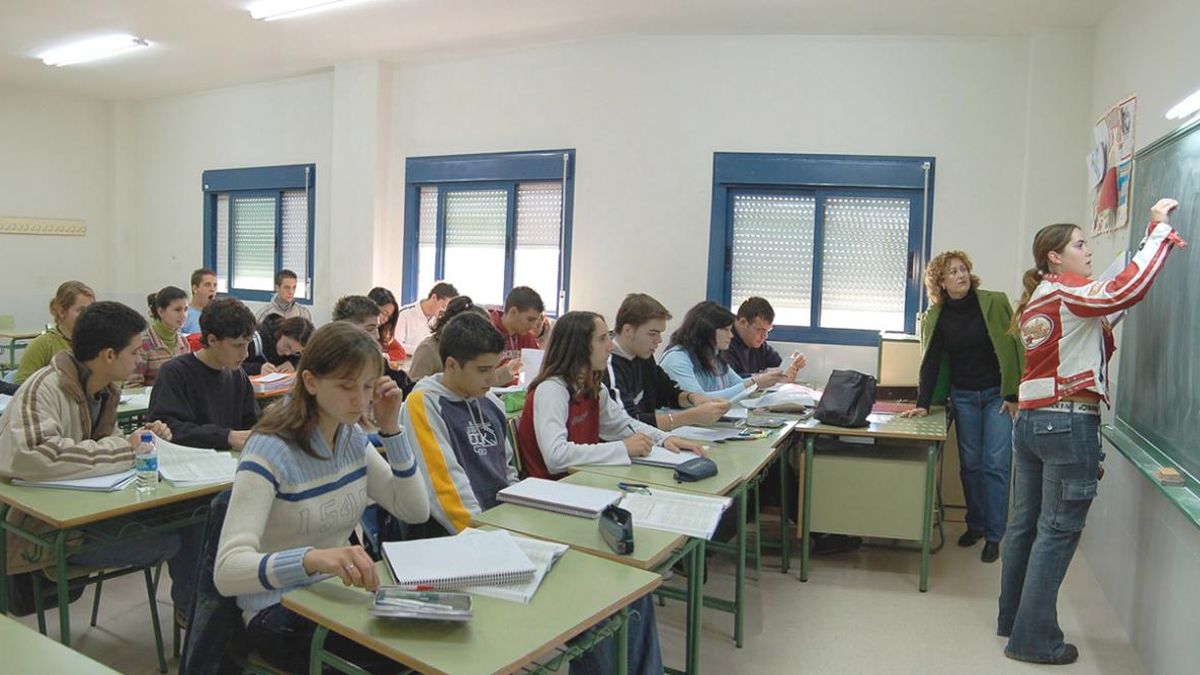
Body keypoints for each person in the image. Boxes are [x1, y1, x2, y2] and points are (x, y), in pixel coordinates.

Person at [998, 199, 1186, 665]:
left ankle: (1013, 619)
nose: (1088, 251)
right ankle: (1033, 640)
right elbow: (1126, 291)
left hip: (1033, 422)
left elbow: (1098, 321)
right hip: (1066, 423)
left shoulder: (1041, 297)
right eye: (1080, 244)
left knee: (1027, 526)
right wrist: (1158, 233)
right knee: (1057, 532)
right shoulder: (1066, 290)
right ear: (1055, 257)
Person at [213, 322, 429, 673]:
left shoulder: (350, 437)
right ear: (311, 382)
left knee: (426, 642)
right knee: (402, 658)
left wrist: (392, 430)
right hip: (275, 610)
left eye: (368, 387)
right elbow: (227, 571)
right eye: (346, 387)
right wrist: (313, 559)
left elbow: (415, 510)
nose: (360, 401)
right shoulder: (270, 449)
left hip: (334, 596)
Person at [0, 301, 198, 615]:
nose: (139, 359)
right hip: (50, 529)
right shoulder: (43, 388)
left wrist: (144, 438)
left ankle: (199, 617)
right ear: (108, 355)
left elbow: (110, 446)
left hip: (93, 511)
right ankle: (197, 619)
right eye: (134, 352)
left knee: (196, 514)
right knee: (179, 538)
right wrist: (127, 449)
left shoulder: (104, 390)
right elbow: (34, 455)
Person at [900, 252, 1024, 563]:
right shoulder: (936, 317)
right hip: (964, 397)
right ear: (941, 283)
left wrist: (1014, 394)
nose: (961, 275)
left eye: (963, 269)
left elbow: (1015, 347)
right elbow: (930, 362)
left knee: (996, 464)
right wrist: (923, 404)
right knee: (971, 466)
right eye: (952, 272)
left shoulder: (995, 302)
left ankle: (995, 535)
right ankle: (977, 524)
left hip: (998, 396)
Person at [516, 311, 706, 480]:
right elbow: (555, 457)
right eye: (602, 339)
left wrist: (663, 439)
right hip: (550, 490)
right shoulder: (552, 389)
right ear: (578, 347)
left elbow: (622, 425)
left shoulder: (592, 387)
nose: (610, 347)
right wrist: (623, 448)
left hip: (579, 480)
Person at [403, 311, 517, 536]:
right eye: (483, 370)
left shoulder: (491, 402)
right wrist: (484, 536)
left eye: (495, 368)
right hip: (458, 535)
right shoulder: (425, 404)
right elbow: (444, 489)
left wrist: (519, 517)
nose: (493, 379)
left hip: (501, 525)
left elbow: (507, 472)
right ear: (452, 365)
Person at [604, 293, 731, 430]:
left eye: (660, 333)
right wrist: (692, 416)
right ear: (628, 330)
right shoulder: (608, 363)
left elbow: (668, 393)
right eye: (652, 334)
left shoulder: (643, 355)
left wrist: (695, 399)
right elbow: (628, 423)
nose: (658, 340)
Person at [149, 298, 260, 449]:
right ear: (212, 340)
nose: (245, 354)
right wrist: (226, 437)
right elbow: (167, 428)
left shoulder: (238, 376)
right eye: (238, 345)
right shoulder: (174, 372)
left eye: (248, 345)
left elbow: (252, 422)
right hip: (187, 463)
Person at [659, 301, 788, 400]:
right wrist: (754, 383)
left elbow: (737, 384)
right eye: (726, 330)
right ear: (707, 330)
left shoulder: (714, 357)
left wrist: (766, 380)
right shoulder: (676, 359)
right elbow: (699, 400)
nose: (731, 335)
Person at [408, 295, 522, 385]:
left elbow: (476, 383)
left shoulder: (470, 351)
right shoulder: (428, 349)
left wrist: (507, 371)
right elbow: (414, 391)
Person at [14, 280, 95, 385]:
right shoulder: (43, 344)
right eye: (81, 310)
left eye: (91, 310)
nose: (89, 316)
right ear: (61, 311)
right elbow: (22, 385)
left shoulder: (96, 342)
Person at [332, 295, 414, 397]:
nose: (377, 336)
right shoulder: (332, 369)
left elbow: (404, 385)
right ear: (346, 331)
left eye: (377, 328)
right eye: (370, 329)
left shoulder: (377, 362)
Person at [723, 297, 806, 379]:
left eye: (767, 330)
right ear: (742, 322)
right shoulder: (724, 343)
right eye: (760, 330)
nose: (765, 336)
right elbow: (730, 380)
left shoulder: (760, 345)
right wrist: (763, 377)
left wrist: (790, 366)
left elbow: (778, 367)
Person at [125, 285, 190, 389]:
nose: (184, 315)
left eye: (186, 309)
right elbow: (133, 385)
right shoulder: (143, 342)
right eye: (177, 310)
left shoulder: (183, 341)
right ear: (161, 312)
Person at [487, 286, 544, 384]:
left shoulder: (528, 337)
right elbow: (477, 380)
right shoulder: (486, 332)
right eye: (530, 320)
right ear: (513, 312)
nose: (533, 326)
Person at [395, 281, 458, 354]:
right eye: (443, 306)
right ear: (434, 297)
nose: (445, 311)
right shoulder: (404, 315)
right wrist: (426, 351)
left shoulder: (441, 319)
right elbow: (397, 346)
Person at [242, 315, 314, 376]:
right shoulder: (255, 340)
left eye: (294, 352)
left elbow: (302, 358)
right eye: (287, 346)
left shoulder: (296, 349)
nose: (287, 353)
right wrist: (258, 368)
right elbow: (233, 365)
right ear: (281, 332)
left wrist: (293, 363)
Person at [368, 286, 406, 363]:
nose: (386, 319)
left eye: (389, 317)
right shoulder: (357, 329)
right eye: (384, 313)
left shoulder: (383, 330)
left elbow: (401, 352)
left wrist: (385, 356)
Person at [181, 268, 217, 335]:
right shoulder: (184, 314)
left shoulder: (218, 314)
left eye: (215, 285)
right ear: (195, 288)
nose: (212, 289)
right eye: (207, 285)